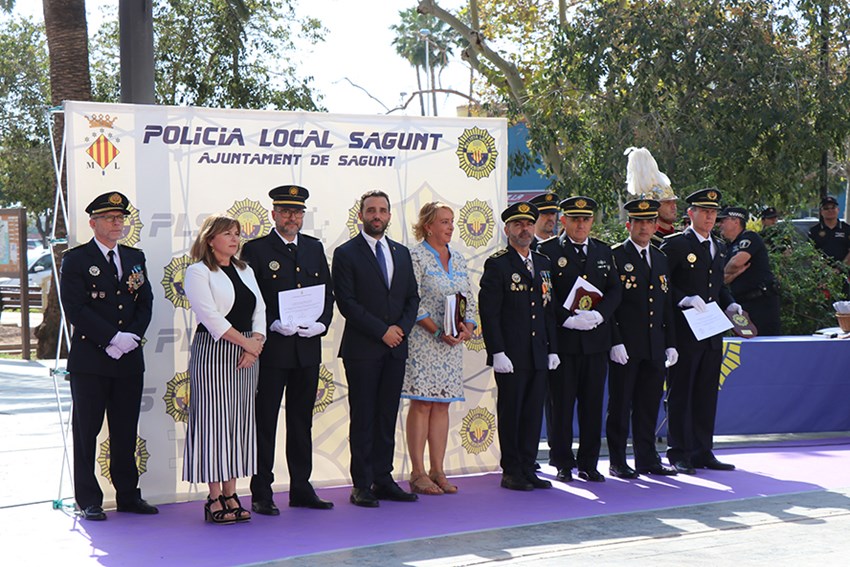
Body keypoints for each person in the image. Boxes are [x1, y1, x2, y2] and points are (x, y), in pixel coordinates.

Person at [60, 191, 158, 521]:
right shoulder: (76, 259)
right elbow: (76, 308)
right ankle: (89, 499)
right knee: (86, 432)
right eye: (110, 218)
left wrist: (131, 338)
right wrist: (111, 338)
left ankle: (128, 495)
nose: (117, 223)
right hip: (91, 360)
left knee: (125, 430)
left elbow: (145, 302)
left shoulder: (134, 256)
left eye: (121, 218)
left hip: (128, 358)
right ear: (93, 223)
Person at [242, 185, 335, 514]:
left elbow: (327, 293)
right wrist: (270, 324)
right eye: (285, 212)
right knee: (265, 421)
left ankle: (301, 487)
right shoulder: (256, 250)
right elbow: (249, 298)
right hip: (272, 349)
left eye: (297, 212)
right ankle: (261, 491)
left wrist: (322, 323)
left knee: (301, 421)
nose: (291, 218)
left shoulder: (313, 247)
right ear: (273, 214)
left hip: (306, 349)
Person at [332, 190, 420, 507]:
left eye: (382, 210)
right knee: (364, 418)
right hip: (362, 350)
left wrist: (401, 330)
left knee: (386, 417)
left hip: (395, 349)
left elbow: (412, 297)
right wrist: (382, 331)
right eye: (371, 210)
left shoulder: (401, 252)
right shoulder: (346, 253)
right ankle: (361, 484)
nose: (377, 215)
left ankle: (383, 479)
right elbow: (347, 303)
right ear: (361, 215)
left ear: (389, 215)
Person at [183, 214, 266, 524]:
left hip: (247, 353)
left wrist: (256, 343)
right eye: (227, 234)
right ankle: (215, 496)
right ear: (210, 240)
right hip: (215, 351)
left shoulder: (245, 270)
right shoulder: (198, 272)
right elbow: (210, 316)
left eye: (236, 233)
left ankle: (232, 493)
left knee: (237, 423)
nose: (234, 239)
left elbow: (261, 309)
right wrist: (247, 345)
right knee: (214, 424)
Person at [538, 196, 621, 483]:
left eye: (586, 219)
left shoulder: (603, 250)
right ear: (564, 221)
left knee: (592, 406)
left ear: (592, 222)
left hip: (596, 342)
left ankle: (589, 463)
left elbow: (615, 290)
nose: (581, 224)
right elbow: (546, 293)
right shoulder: (547, 251)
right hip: (564, 343)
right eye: (575, 219)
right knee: (561, 406)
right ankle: (562, 461)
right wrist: (566, 318)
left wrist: (600, 315)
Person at [479, 202, 559, 491]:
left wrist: (553, 348)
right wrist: (497, 351)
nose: (524, 229)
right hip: (511, 355)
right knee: (511, 413)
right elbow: (490, 312)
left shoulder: (543, 263)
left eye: (528, 224)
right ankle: (511, 470)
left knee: (533, 413)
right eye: (518, 225)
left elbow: (548, 309)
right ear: (507, 230)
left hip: (538, 352)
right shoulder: (498, 264)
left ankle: (528, 466)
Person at [660, 188, 741, 475]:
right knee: (681, 392)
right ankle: (679, 452)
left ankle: (703, 451)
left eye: (713, 212)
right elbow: (661, 284)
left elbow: (718, 286)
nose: (709, 217)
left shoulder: (717, 246)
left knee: (706, 393)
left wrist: (731, 304)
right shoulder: (675, 245)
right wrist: (683, 298)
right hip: (685, 331)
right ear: (691, 213)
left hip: (711, 331)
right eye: (704, 211)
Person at [401, 202, 476, 495]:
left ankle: (438, 471)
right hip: (424, 341)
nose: (450, 226)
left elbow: (468, 296)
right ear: (428, 226)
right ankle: (418, 473)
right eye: (444, 221)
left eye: (452, 221)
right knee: (422, 404)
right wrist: (436, 330)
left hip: (451, 345)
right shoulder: (415, 256)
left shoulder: (458, 257)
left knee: (443, 405)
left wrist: (468, 327)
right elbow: (412, 298)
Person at [607, 198, 678, 478]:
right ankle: (617, 460)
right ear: (629, 225)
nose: (645, 227)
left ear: (655, 225)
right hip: (626, 345)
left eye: (650, 222)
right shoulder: (615, 256)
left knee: (648, 405)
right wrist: (615, 340)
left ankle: (647, 458)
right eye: (639, 222)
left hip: (654, 345)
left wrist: (670, 343)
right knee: (621, 405)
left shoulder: (660, 257)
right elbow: (610, 305)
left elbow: (666, 304)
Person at [719, 207, 781, 336]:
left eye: (723, 221)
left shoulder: (749, 237)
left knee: (765, 342)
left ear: (736, 221)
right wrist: (733, 273)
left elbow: (737, 262)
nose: (720, 225)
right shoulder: (728, 247)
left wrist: (729, 271)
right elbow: (722, 280)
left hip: (761, 303)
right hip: (742, 305)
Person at [623, 148, 679, 244]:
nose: (673, 207)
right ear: (654, 207)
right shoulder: (645, 242)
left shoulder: (681, 239)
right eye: (667, 203)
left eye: (674, 202)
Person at [809, 196, 850, 267]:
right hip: (821, 271)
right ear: (821, 212)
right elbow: (811, 253)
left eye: (833, 207)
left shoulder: (847, 229)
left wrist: (840, 268)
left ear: (838, 210)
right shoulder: (814, 231)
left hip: (845, 271)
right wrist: (826, 269)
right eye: (826, 208)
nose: (830, 210)